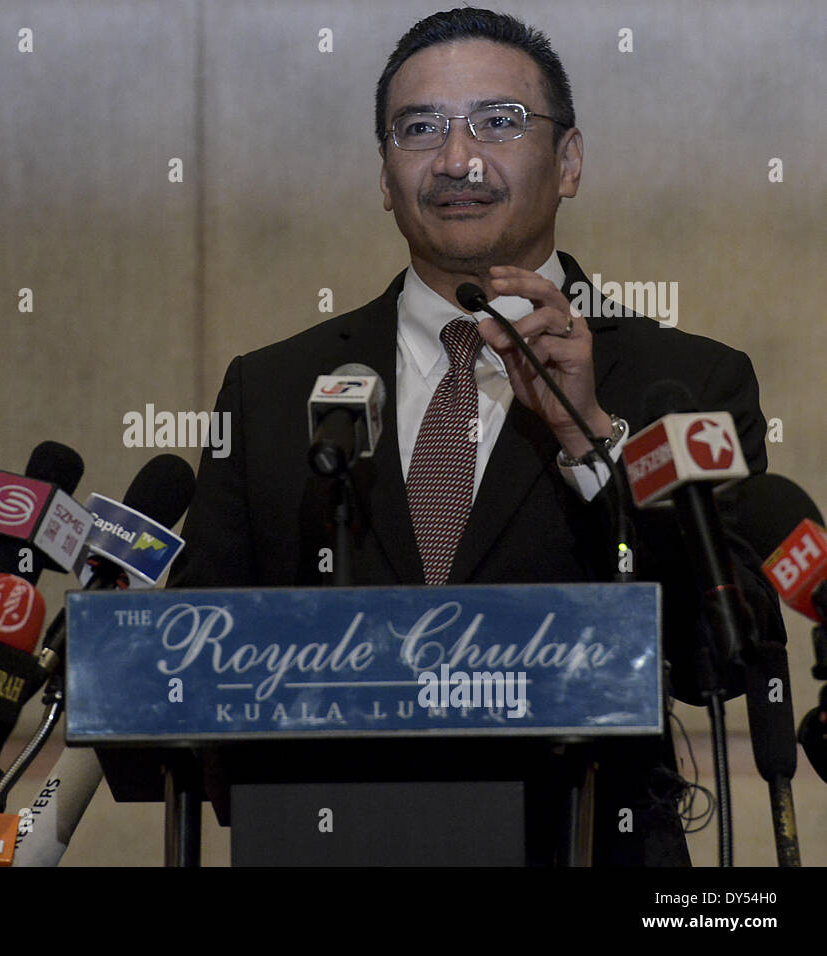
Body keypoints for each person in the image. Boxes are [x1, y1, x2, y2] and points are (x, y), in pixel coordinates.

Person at [171, 8, 784, 865]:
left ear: (569, 162)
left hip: (583, 842)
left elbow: (718, 657)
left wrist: (592, 443)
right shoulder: (270, 388)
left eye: (499, 123)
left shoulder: (683, 386)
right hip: (325, 840)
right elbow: (200, 660)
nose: (458, 160)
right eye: (419, 129)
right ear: (385, 177)